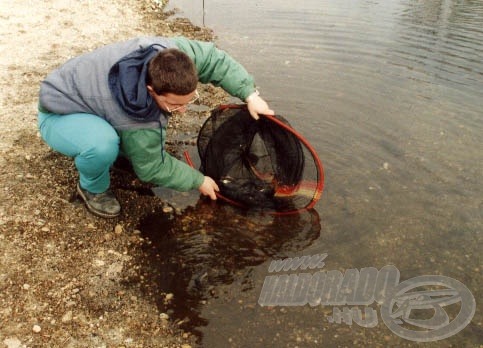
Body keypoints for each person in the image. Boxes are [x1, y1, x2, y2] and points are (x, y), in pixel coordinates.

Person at [38, 36, 274, 218]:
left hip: (90, 95)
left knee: (128, 142)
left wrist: (250, 94)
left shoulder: (170, 55)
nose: (182, 110)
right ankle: (91, 188)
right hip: (60, 114)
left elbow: (214, 60)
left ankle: (120, 151)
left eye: (188, 102)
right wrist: (198, 180)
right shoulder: (135, 114)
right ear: (151, 91)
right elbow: (151, 168)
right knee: (102, 145)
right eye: (173, 105)